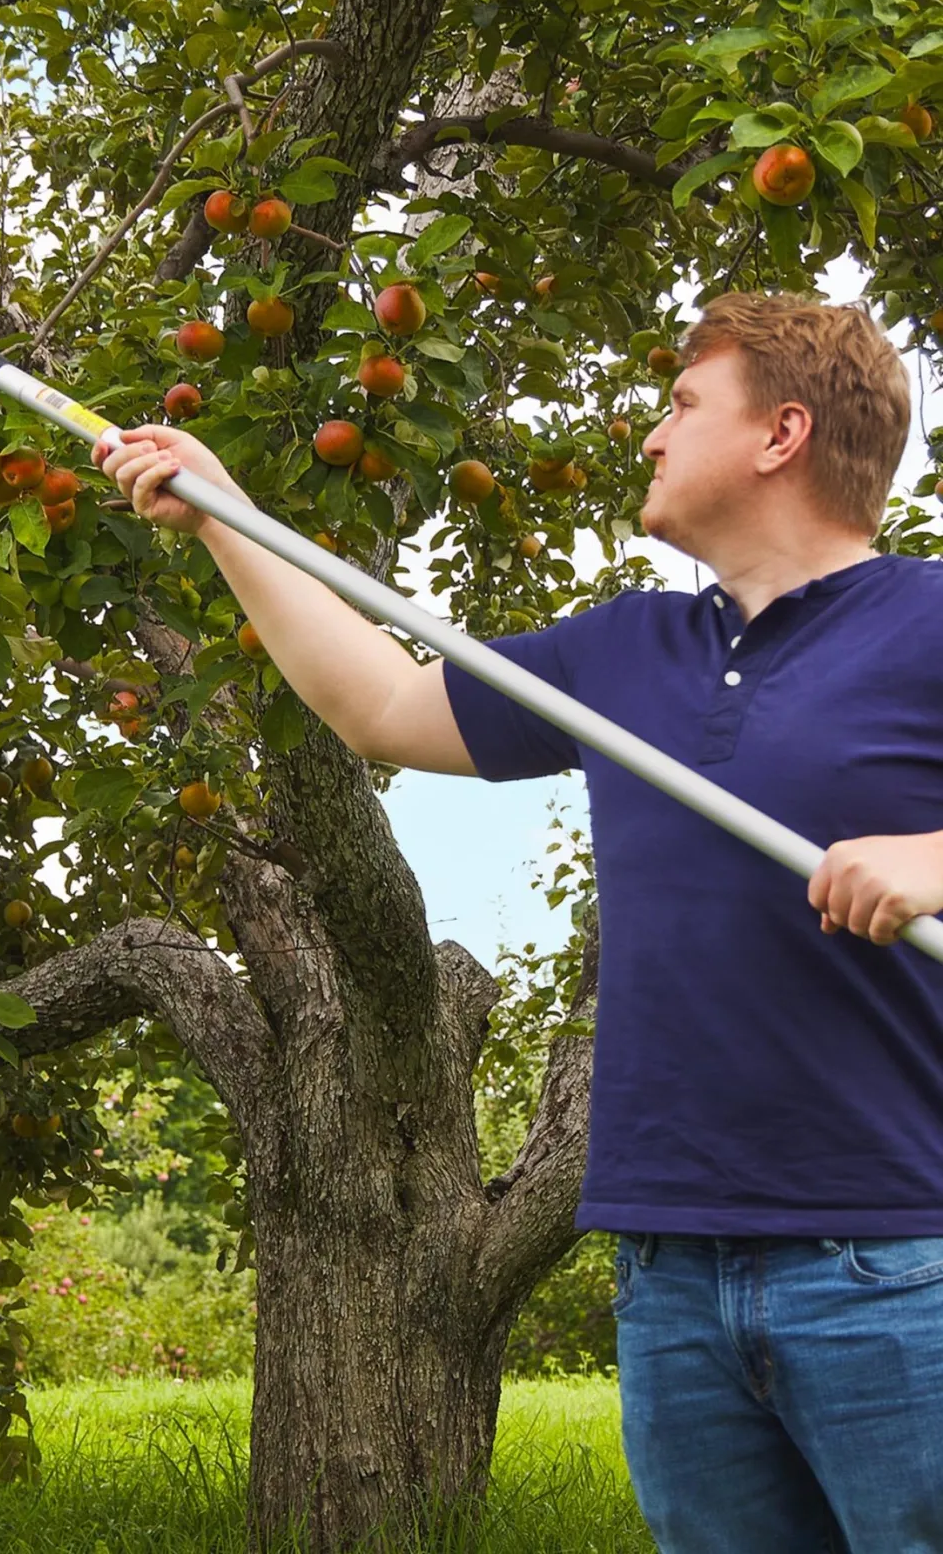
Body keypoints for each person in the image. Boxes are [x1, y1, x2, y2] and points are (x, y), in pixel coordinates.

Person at [93, 291, 943, 1554]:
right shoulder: (628, 651)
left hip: (895, 1263)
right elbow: (382, 703)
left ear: (781, 431)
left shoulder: (925, 619)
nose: (648, 436)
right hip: (668, 1267)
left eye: (679, 405)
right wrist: (227, 516)